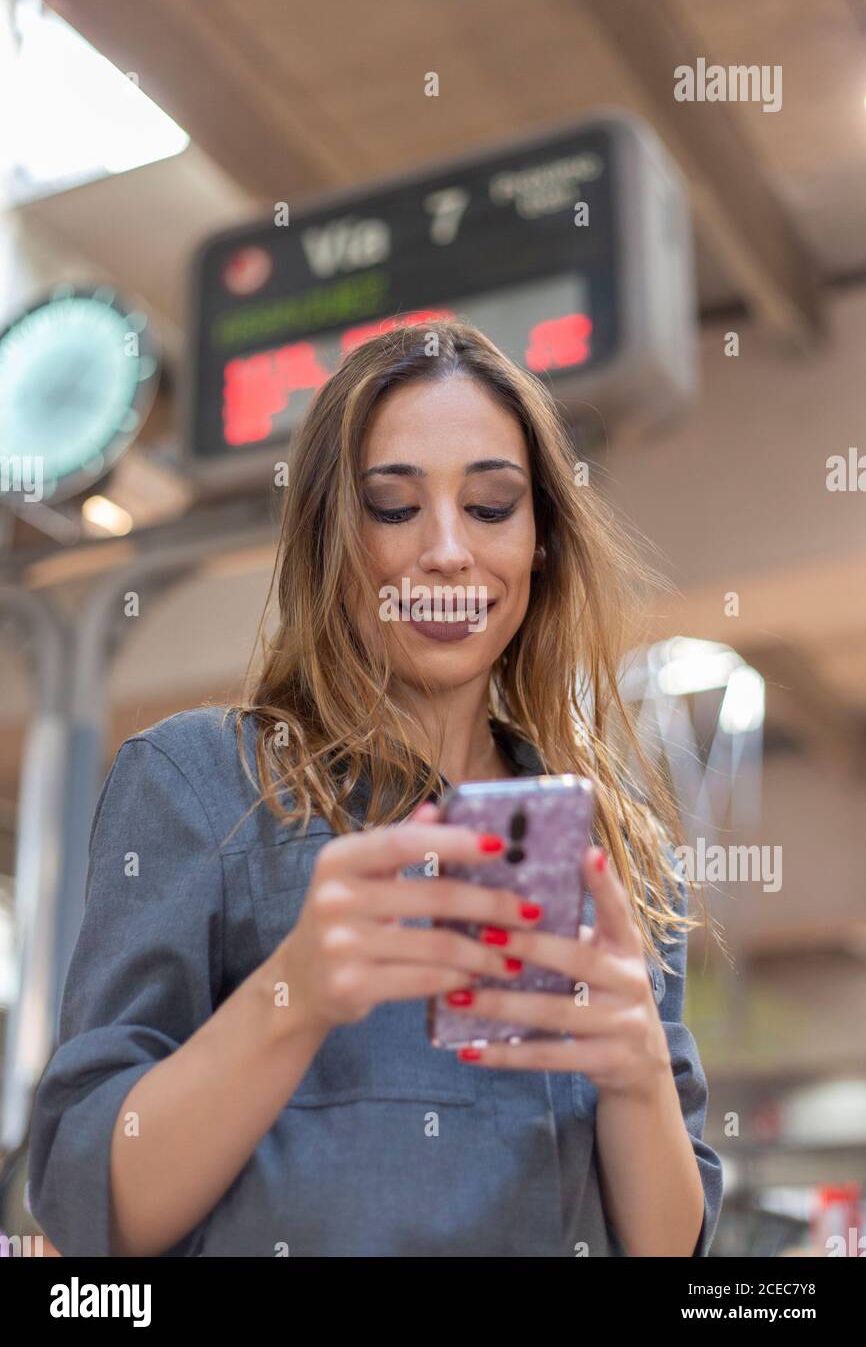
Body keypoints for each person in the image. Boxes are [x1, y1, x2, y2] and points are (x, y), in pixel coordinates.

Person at [28, 319, 724, 1257]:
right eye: (393, 509)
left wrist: (640, 1073)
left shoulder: (615, 848)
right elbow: (88, 1203)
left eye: (491, 507)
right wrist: (296, 994)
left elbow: (675, 1252)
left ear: (541, 543)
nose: (447, 551)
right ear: (328, 539)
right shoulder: (200, 782)